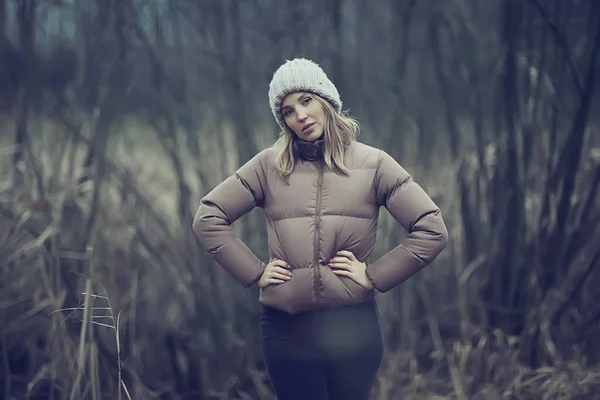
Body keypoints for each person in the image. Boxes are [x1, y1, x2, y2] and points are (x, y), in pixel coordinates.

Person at [192, 58, 448, 400]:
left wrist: (374, 276)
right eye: (287, 110)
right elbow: (208, 217)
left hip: (352, 327)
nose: (300, 115)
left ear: (327, 101)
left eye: (306, 100)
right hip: (286, 329)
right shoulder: (269, 166)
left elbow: (432, 229)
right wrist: (255, 273)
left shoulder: (374, 164)